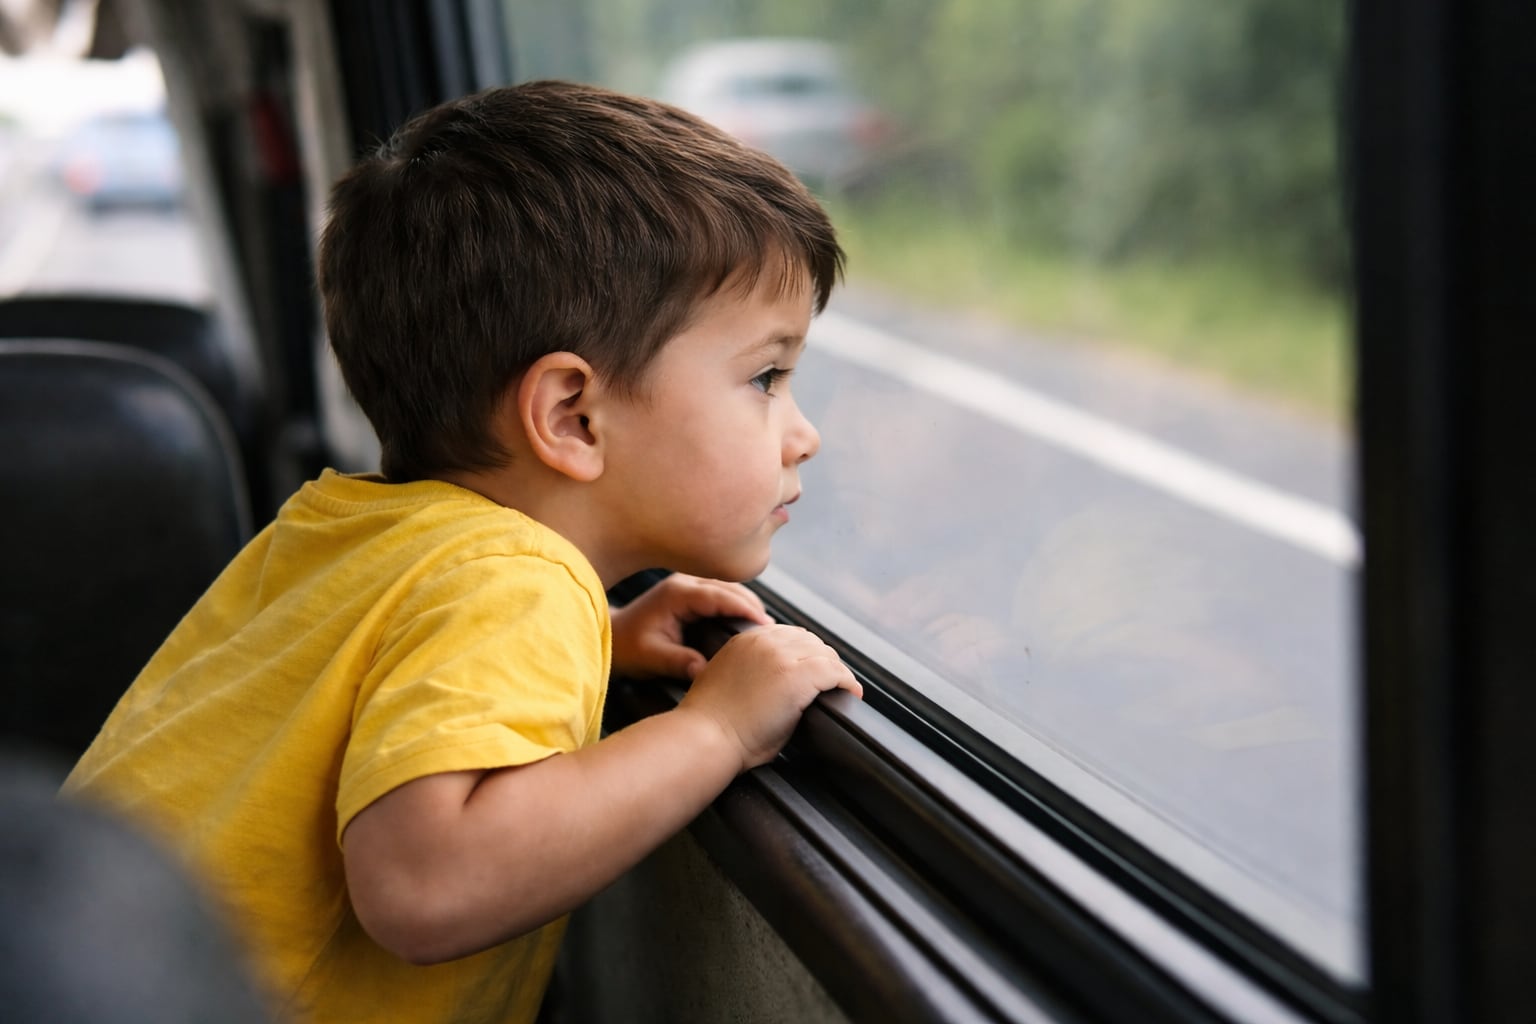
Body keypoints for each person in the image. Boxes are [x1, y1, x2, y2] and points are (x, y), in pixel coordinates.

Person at [60, 79, 862, 1024]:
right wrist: (715, 732)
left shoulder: (349, 527)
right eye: (766, 377)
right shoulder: (519, 585)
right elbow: (425, 887)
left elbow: (375, 682)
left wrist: (605, 636)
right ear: (572, 415)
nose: (801, 433)